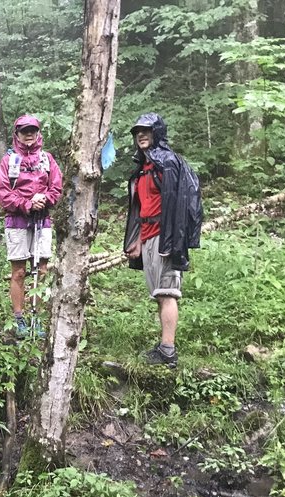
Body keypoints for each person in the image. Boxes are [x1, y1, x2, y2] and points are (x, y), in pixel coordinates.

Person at [123, 113, 201, 367]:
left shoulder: (168, 163)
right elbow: (141, 209)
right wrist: (137, 240)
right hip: (148, 238)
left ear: (158, 132)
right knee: (159, 293)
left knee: (168, 292)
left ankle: (168, 350)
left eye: (146, 130)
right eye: (137, 132)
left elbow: (183, 205)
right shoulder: (144, 168)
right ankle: (164, 347)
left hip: (166, 238)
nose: (141, 135)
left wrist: (174, 241)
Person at [0, 115, 63, 339]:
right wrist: (27, 203)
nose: (29, 134)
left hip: (42, 220)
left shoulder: (47, 159)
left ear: (38, 132)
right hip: (17, 221)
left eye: (32, 130)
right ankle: (19, 318)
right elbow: (3, 193)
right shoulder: (9, 160)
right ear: (17, 133)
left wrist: (45, 200)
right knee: (19, 271)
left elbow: (56, 187)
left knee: (42, 270)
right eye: (24, 130)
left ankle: (38, 317)